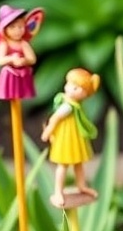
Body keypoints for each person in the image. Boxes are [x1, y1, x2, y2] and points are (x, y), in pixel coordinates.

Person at [41, 67, 100, 207]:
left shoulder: (75, 105)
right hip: (66, 138)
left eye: (76, 88)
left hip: (74, 137)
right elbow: (54, 118)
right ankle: (58, 191)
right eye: (69, 85)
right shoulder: (67, 106)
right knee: (63, 165)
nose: (69, 88)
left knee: (78, 163)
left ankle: (81, 185)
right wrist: (48, 132)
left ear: (85, 94)